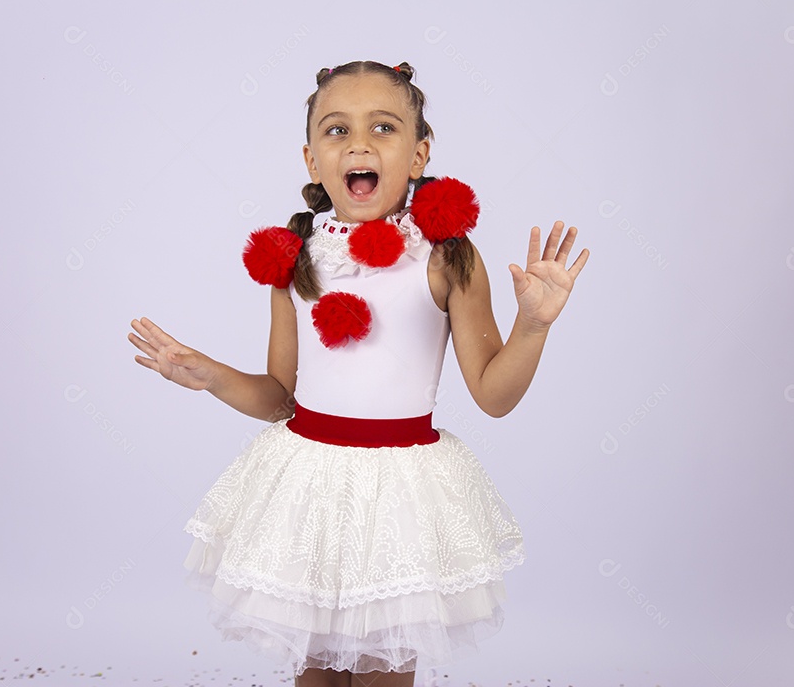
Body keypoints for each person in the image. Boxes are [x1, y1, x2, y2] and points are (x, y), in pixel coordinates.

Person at [128, 60, 589, 687]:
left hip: (400, 495)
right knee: (314, 671)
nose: (360, 144)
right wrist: (209, 375)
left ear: (419, 153)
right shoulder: (294, 260)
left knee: (382, 668)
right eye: (337, 130)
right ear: (312, 160)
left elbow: (494, 395)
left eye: (384, 127)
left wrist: (532, 326)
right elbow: (277, 399)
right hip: (307, 489)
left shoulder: (447, 255)